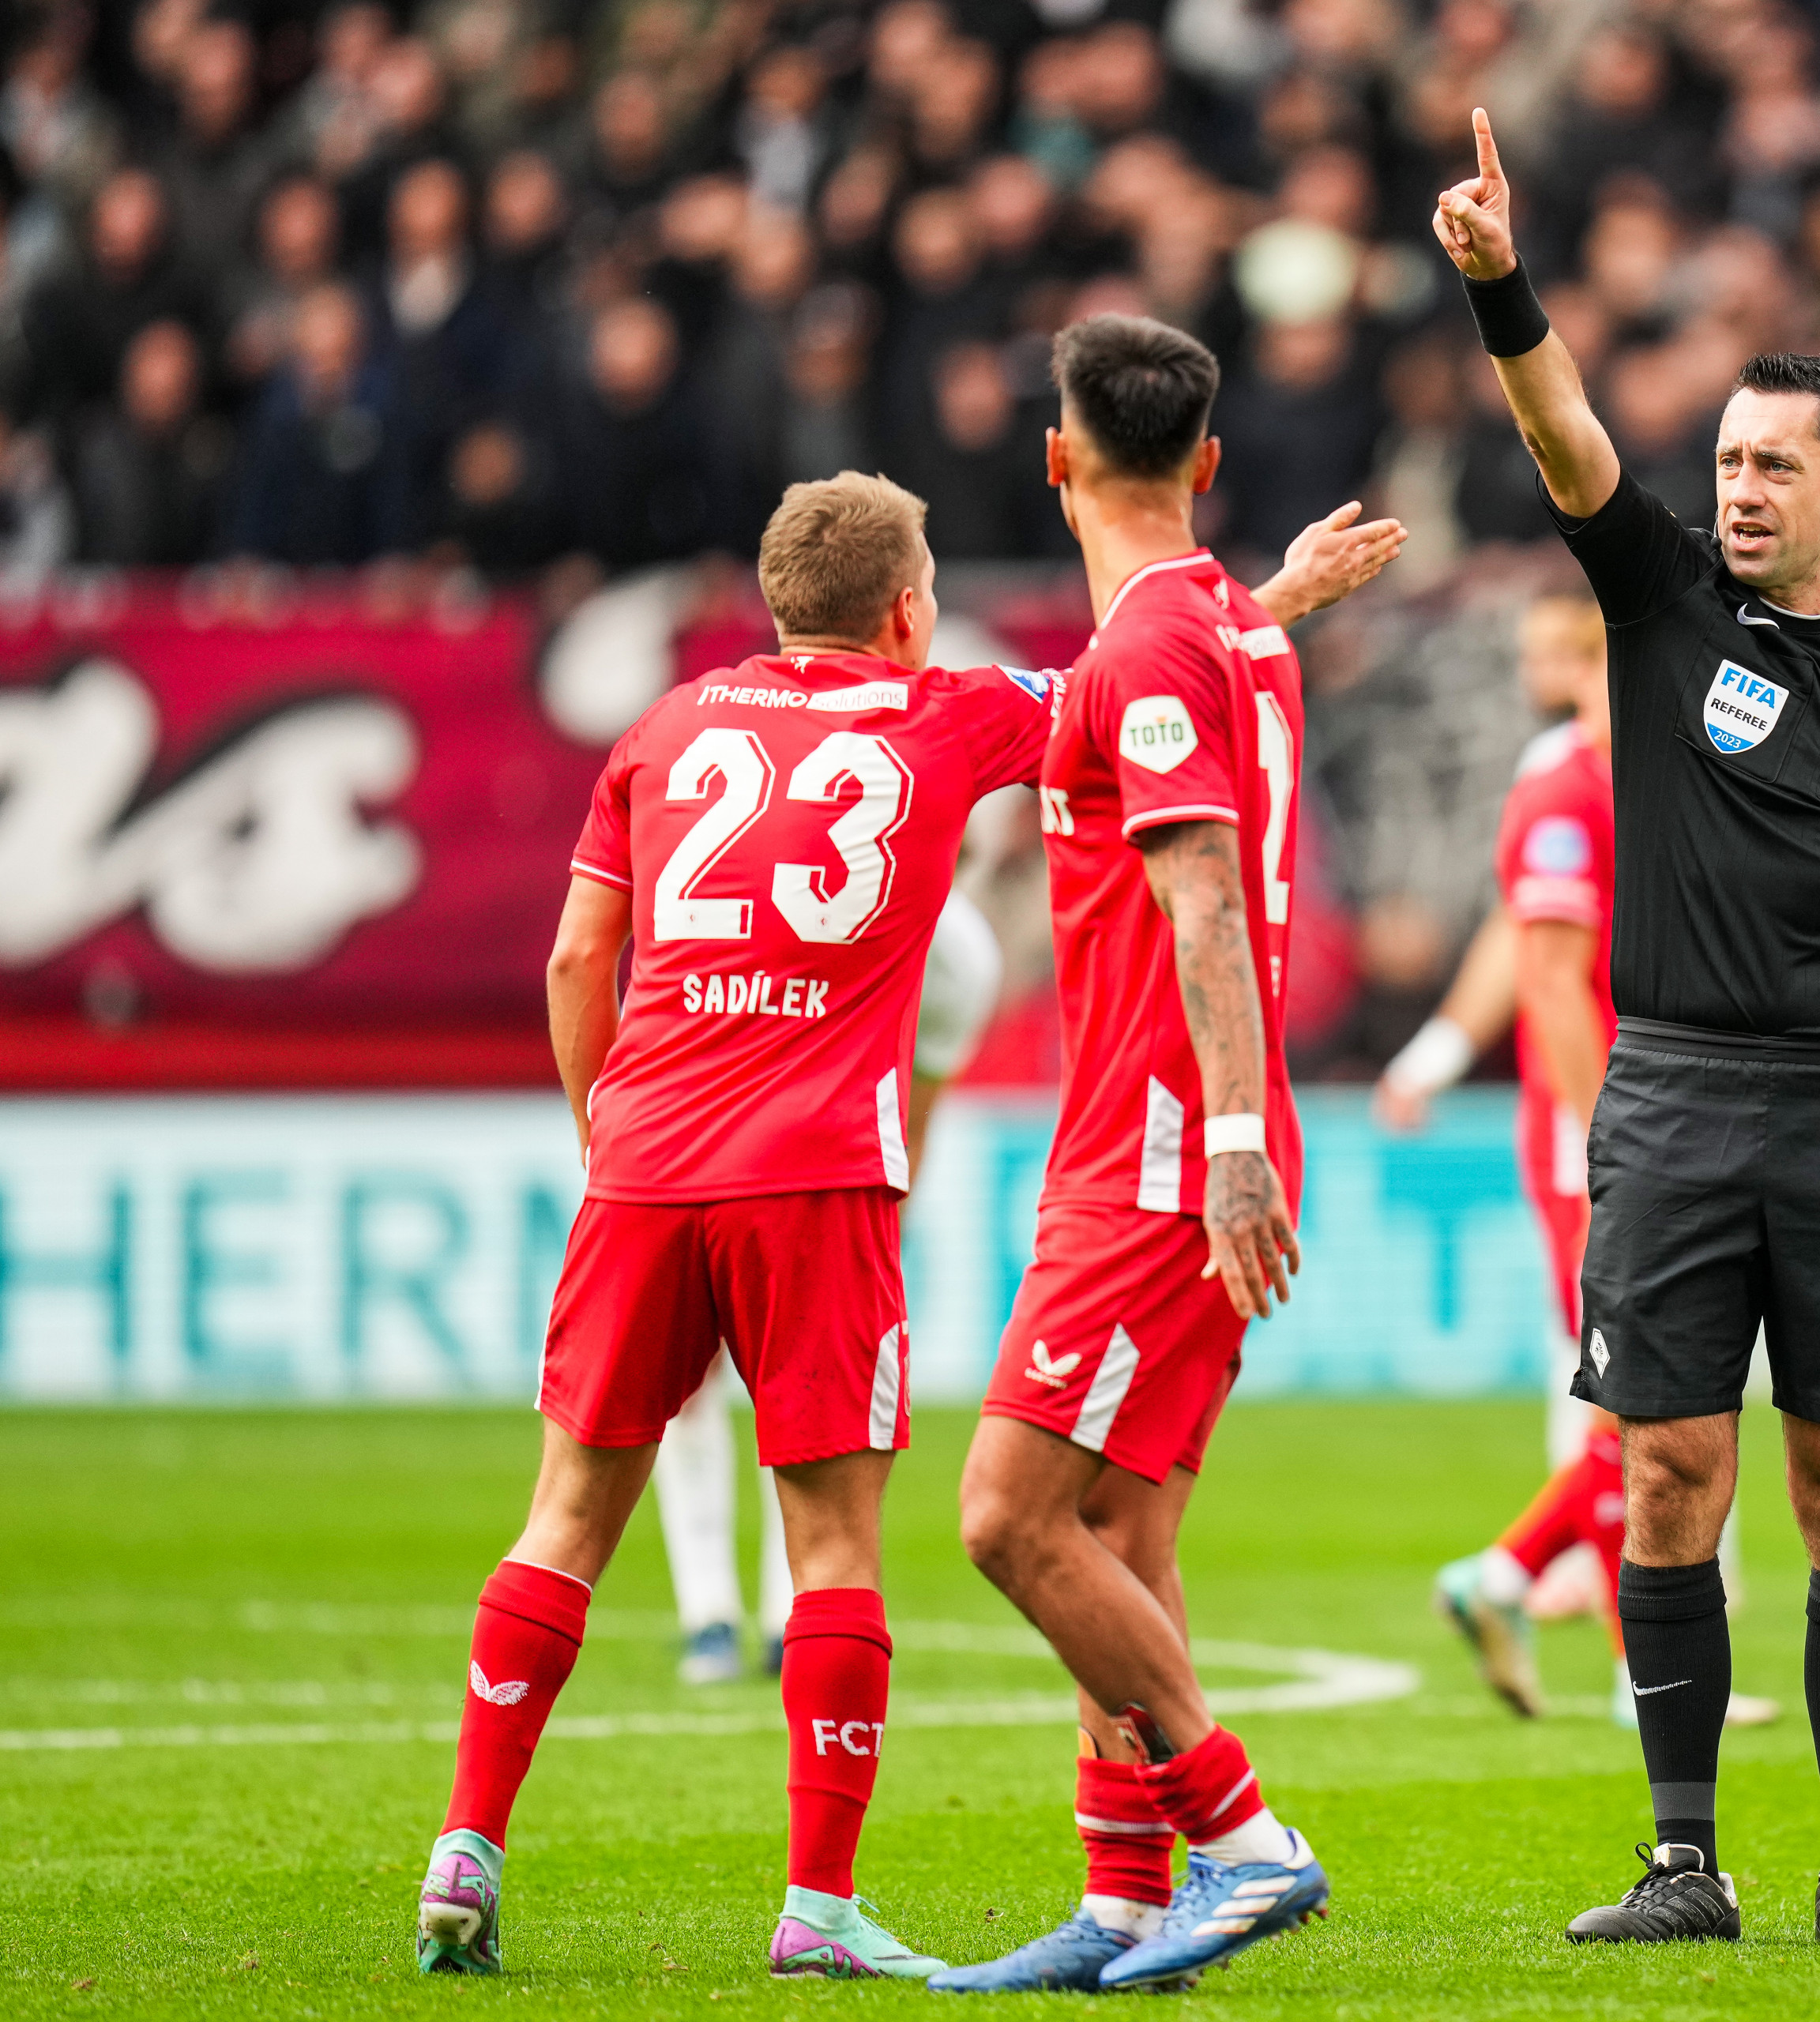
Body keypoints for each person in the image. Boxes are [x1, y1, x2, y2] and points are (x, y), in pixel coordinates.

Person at [1432, 111, 1820, 1949]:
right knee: (1667, 1465)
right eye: (1725, 458)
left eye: (1774, 462)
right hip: (1675, 1094)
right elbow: (1558, 428)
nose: (1740, 486)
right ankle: (1681, 1857)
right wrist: (1500, 287)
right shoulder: (1660, 598)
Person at [412, 473, 1055, 1982]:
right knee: (832, 1547)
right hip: (816, 1178)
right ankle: (819, 1908)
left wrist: (603, 1131)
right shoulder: (948, 714)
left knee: (566, 1515)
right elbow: (1133, 677)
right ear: (909, 608)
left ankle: (464, 1846)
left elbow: (583, 953)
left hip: (646, 1167)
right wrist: (1278, 602)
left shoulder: (664, 728)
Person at [934, 314, 1398, 1998]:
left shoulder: (1150, 650)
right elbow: (1189, 676)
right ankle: (1127, 1897)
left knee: (1006, 1512)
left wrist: (1221, 1143)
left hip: (1156, 1144)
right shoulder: (1219, 629)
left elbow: (1201, 899)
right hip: (1171, 1129)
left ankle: (1242, 1834)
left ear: (1055, 458)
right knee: (1120, 1528)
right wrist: (1278, 599)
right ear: (1206, 464)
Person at [1422, 593, 1780, 1731]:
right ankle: (1607, 1641)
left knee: (1652, 1386)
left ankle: (1545, 1600)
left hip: (1668, 1116)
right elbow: (1547, 982)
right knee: (1641, 1386)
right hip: (1606, 1133)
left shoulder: (1660, 781)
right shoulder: (1566, 791)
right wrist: (1597, 1133)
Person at [651, 892, 1005, 1690]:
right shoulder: (782, 887)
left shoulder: (954, 958)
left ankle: (784, 1616)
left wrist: (871, 1234)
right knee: (701, 1370)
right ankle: (709, 1610)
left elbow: (916, 1117)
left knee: (800, 1376)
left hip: (818, 1161)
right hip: (716, 1118)